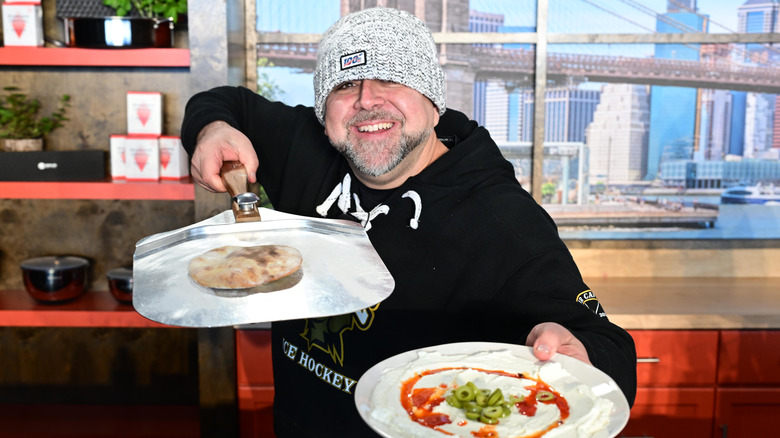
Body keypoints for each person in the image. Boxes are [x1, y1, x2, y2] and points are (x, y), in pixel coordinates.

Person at [181, 7, 636, 437]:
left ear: (433, 102)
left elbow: (608, 346)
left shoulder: (502, 222)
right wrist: (213, 129)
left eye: (391, 79)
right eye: (345, 86)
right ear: (324, 115)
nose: (366, 101)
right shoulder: (306, 149)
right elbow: (224, 101)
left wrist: (581, 354)